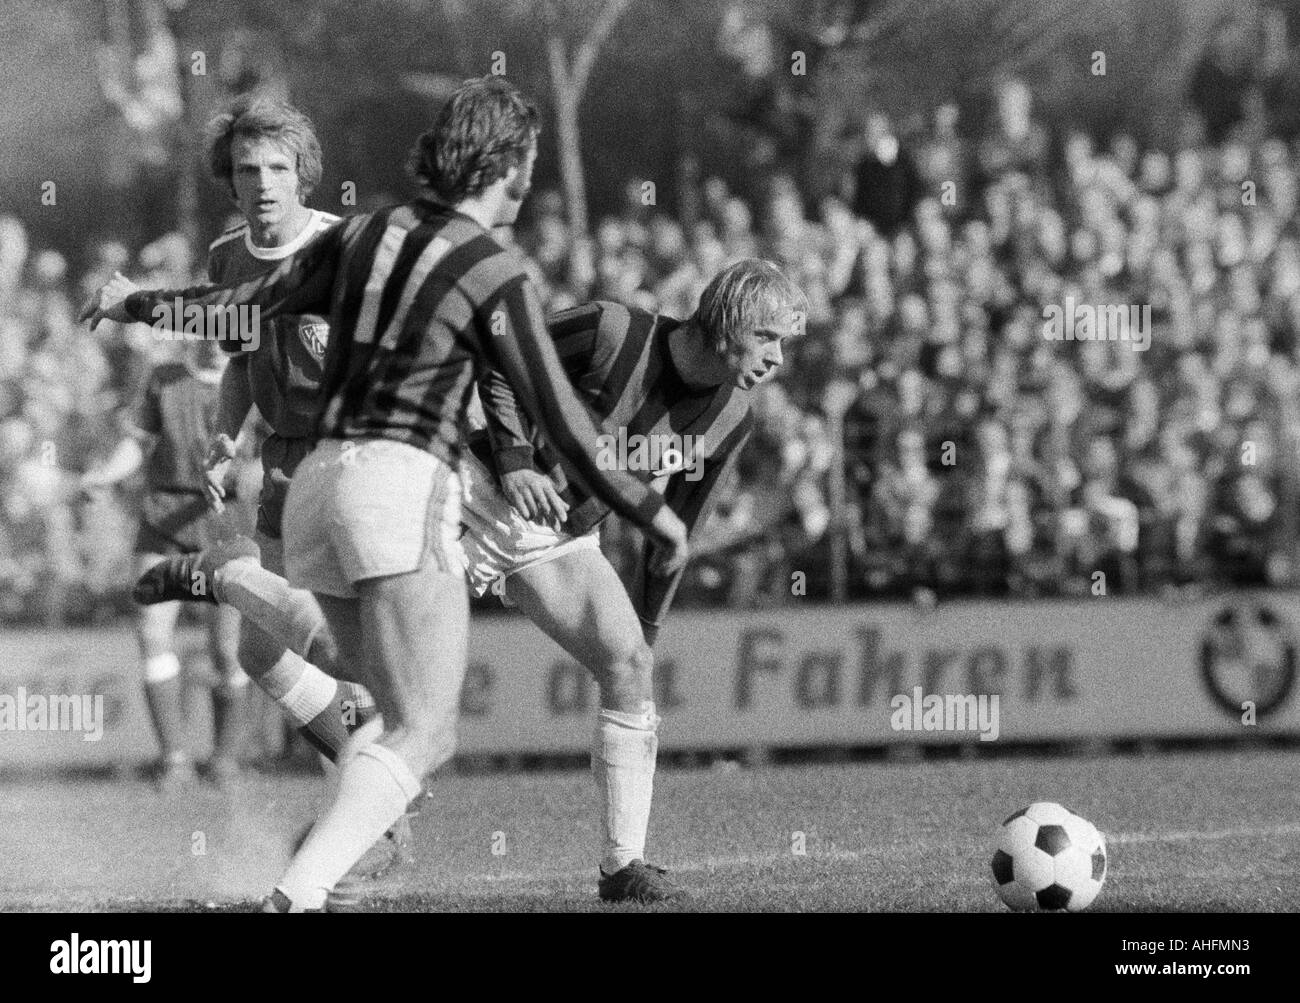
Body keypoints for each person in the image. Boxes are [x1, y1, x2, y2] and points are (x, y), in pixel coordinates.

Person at [84, 75, 689, 912]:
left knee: (374, 685)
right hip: (349, 476)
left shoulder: (354, 239)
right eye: (246, 170)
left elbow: (259, 309)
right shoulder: (454, 261)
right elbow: (243, 344)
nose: (260, 184)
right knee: (359, 694)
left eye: (275, 168)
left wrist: (135, 306)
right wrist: (232, 433)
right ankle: (342, 827)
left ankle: (357, 808)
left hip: (343, 472)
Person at [136, 258, 807, 902]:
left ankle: (623, 864)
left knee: (628, 659)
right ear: (727, 318)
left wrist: (650, 626)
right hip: (469, 487)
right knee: (354, 662)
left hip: (555, 533)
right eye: (767, 337)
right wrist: (517, 460)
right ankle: (229, 575)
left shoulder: (731, 417)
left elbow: (674, 532)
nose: (777, 358)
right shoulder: (612, 331)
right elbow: (502, 362)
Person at [79, 337, 249, 788]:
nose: (220, 346)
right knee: (151, 633)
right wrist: (106, 475)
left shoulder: (253, 378)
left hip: (226, 525)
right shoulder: (164, 378)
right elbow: (138, 442)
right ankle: (174, 759)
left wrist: (247, 482)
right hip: (164, 519)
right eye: (212, 335)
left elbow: (267, 456)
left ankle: (224, 760)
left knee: (227, 650)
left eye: (231, 337)